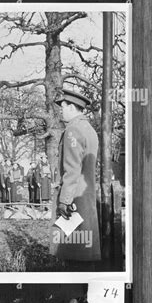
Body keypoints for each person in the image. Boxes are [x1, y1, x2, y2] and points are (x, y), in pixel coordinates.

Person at [50, 89, 101, 270]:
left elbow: (71, 171)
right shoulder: (89, 130)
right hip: (85, 200)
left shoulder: (72, 130)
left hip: (73, 203)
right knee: (85, 257)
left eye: (63, 107)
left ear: (72, 107)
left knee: (72, 258)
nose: (61, 111)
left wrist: (64, 201)